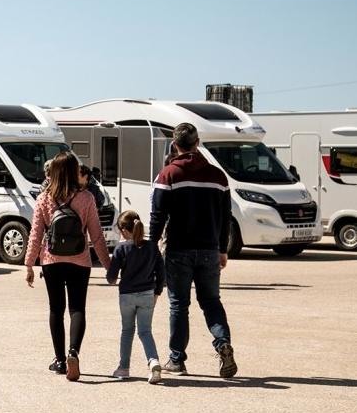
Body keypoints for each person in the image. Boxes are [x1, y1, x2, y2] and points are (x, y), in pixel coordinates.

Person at [149, 122, 237, 378]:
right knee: (211, 301)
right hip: (209, 250)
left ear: (174, 146)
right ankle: (222, 343)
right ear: (197, 143)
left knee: (179, 305)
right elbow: (225, 216)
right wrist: (222, 249)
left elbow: (158, 215)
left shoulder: (168, 175)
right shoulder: (218, 176)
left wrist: (152, 246)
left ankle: (177, 360)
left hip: (179, 250)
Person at [25, 152, 111, 382]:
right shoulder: (86, 198)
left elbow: (35, 234)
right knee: (77, 309)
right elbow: (97, 235)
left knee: (56, 310)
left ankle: (60, 360)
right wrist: (108, 265)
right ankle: (74, 351)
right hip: (80, 260)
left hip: (51, 260)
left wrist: (29, 264)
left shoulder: (44, 198)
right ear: (74, 171)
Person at [106, 210, 165, 384]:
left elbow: (111, 278)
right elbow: (161, 273)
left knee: (127, 331)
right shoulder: (152, 247)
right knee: (145, 331)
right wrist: (157, 293)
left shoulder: (121, 248)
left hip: (127, 296)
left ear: (124, 230)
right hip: (147, 295)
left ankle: (123, 368)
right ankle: (153, 361)